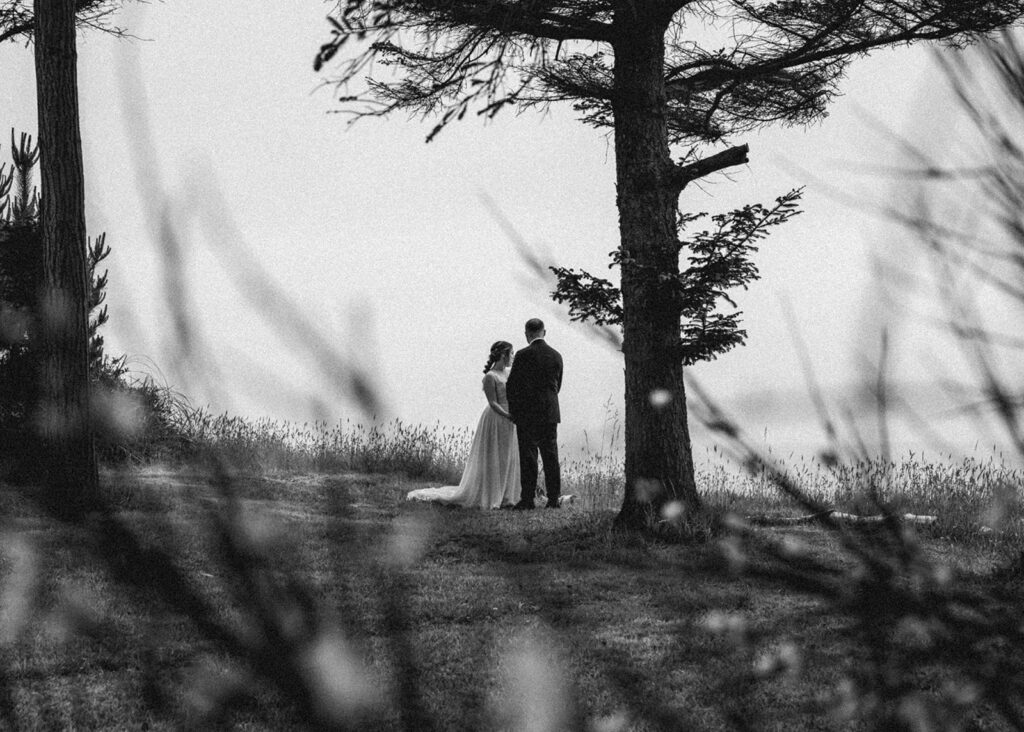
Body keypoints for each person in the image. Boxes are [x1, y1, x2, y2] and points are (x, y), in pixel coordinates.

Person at [406, 341, 521, 509]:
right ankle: (490, 493)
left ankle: (506, 494)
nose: (512, 357)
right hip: (496, 418)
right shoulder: (491, 376)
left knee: (507, 456)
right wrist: (507, 415)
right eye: (511, 354)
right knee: (495, 455)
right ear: (503, 355)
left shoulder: (509, 373)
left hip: (510, 419)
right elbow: (493, 403)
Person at [506, 318, 563, 509]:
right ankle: (553, 499)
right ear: (544, 332)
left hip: (527, 413)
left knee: (528, 456)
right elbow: (557, 386)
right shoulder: (557, 356)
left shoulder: (522, 355)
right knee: (551, 456)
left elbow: (512, 386)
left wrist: (515, 411)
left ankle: (528, 499)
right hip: (549, 412)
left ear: (526, 334)